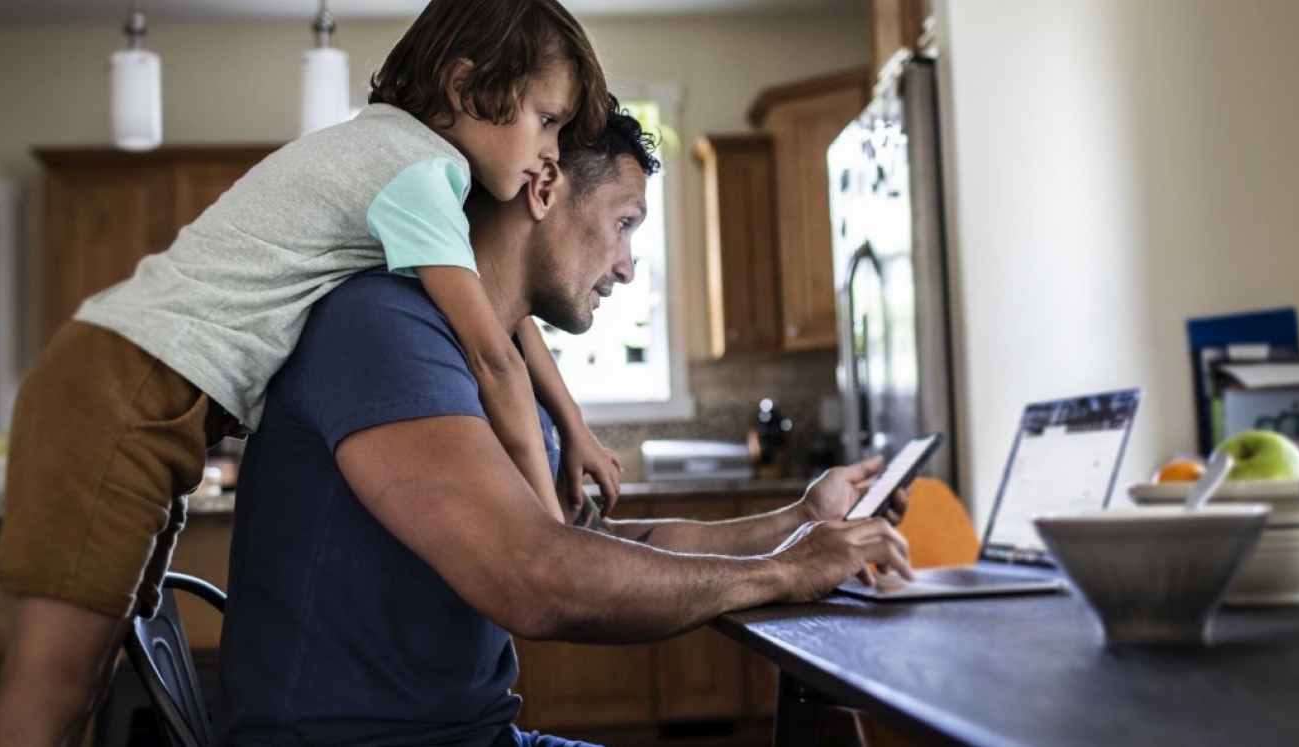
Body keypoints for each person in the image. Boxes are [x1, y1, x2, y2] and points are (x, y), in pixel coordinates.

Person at [0, 2, 622, 745]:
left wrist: (572, 426)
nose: (550, 152)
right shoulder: (419, 172)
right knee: (52, 682)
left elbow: (499, 317)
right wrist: (543, 538)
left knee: (78, 680)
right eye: (546, 120)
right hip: (122, 389)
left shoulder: (395, 155)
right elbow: (491, 355)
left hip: (134, 391)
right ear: (467, 86)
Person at [215, 103, 914, 747]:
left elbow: (587, 546)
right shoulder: (382, 326)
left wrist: (799, 523)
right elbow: (538, 576)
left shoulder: (502, 350)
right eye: (624, 223)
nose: (627, 267)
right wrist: (782, 571)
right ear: (543, 188)